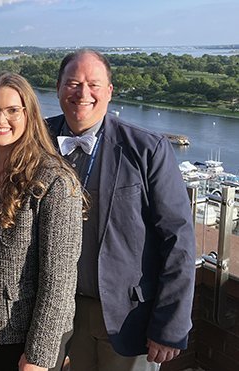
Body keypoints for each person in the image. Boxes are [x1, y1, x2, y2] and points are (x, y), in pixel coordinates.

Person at [47, 49, 196, 370]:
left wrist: (170, 327)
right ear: (57, 87)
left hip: (129, 316)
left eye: (93, 84)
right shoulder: (38, 139)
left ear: (110, 91)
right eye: (72, 83)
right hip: (55, 312)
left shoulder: (146, 148)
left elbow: (178, 240)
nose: (82, 93)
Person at [0, 72, 83, 370]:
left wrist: (40, 354)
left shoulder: (55, 181)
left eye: (12, 110)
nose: (0, 119)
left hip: (22, 333)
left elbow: (60, 280)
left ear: (29, 114)